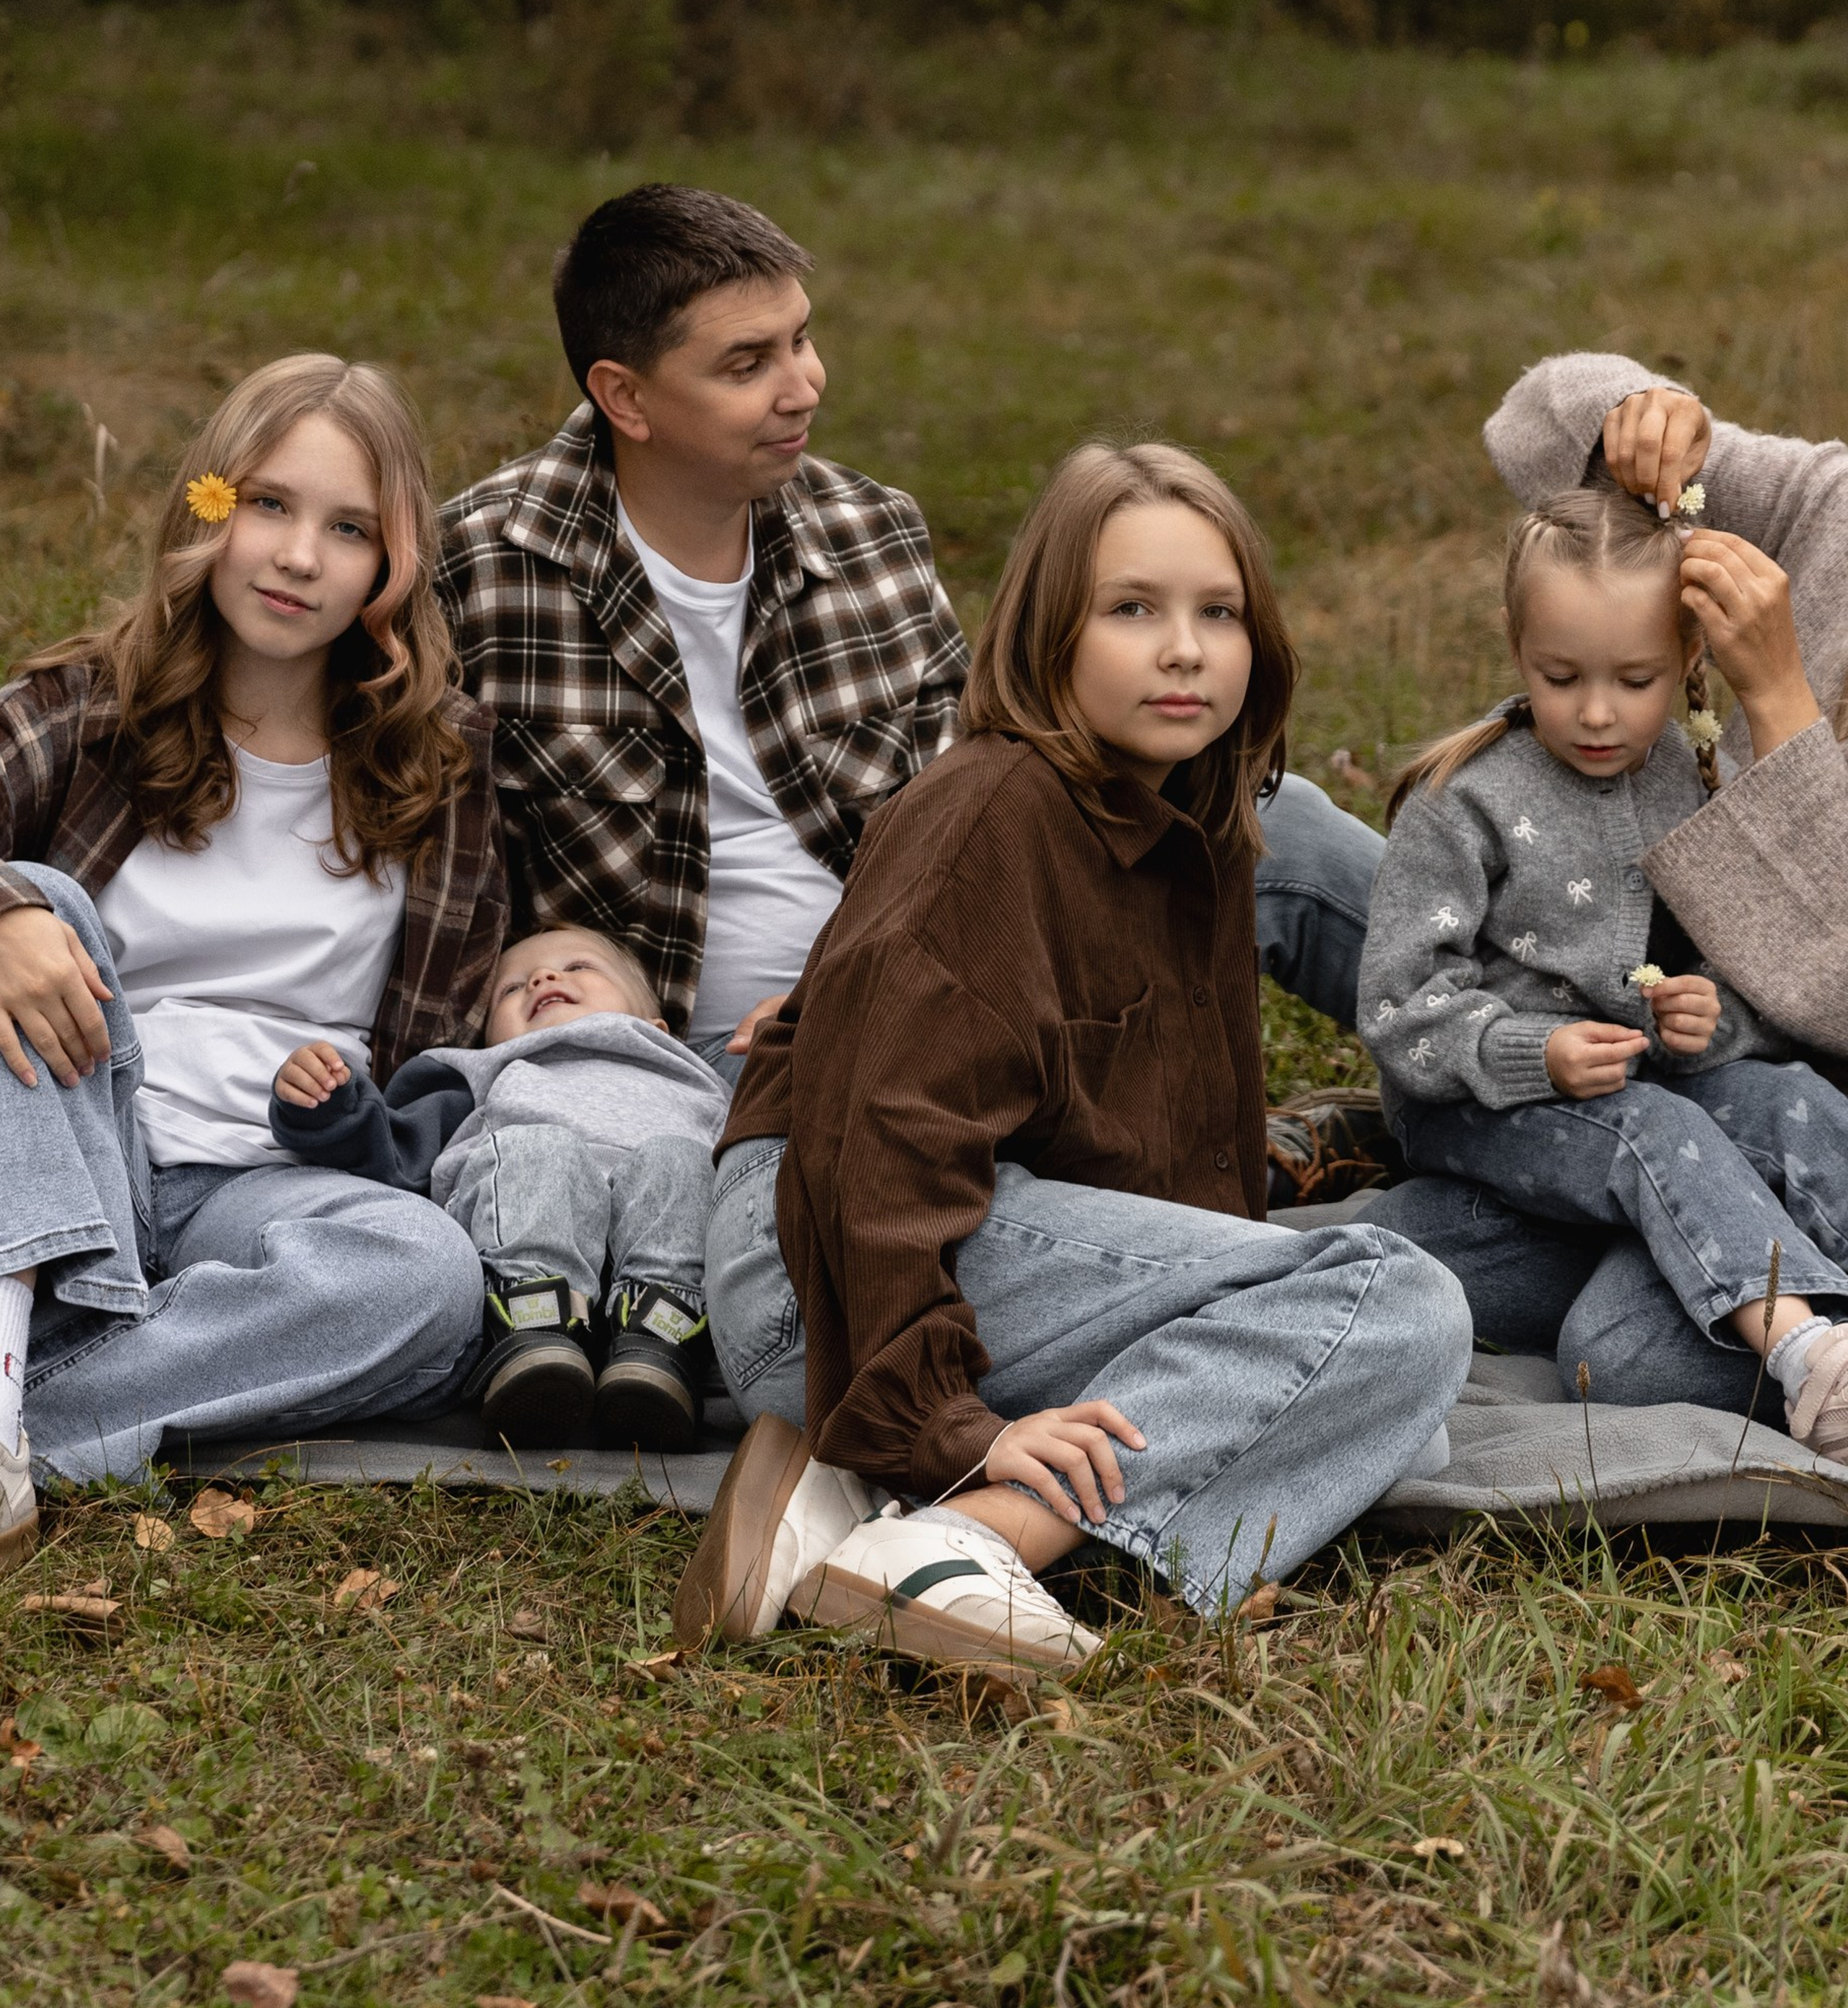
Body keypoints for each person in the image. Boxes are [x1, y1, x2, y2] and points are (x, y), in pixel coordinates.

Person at [671, 442, 1471, 1674]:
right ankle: (960, 1541)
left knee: (1398, 1381)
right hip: (830, 1273)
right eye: (1132, 610)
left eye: (1219, 614)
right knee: (1389, 1306)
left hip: (964, 1242)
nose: (1184, 650)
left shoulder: (1194, 821)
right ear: (1050, 634)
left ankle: (844, 1500)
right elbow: (877, 1142)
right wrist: (947, 1420)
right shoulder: (987, 815)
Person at [435, 183, 1395, 1177]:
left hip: (938, 981)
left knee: (1278, 825)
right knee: (891, 1176)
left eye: (802, 339)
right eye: (747, 365)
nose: (803, 387)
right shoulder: (479, 569)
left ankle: (1491, 1039)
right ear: (625, 397)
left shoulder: (870, 533)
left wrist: (850, 992)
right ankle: (1247, 1163)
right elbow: (431, 881)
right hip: (700, 1069)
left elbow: (977, 798)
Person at [0, 355, 505, 1562]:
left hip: (272, 1184)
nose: (297, 557)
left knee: (427, 1277)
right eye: (268, 505)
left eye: (348, 529)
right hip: (75, 1135)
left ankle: (34, 1415)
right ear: (209, 509)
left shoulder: (438, 768)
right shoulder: (81, 710)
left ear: (390, 567)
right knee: (42, 906)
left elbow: (445, 1041)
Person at [1380, 351, 1848, 1412]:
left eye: (1634, 681)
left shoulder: (1675, 772)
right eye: (1564, 677)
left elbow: (1808, 996)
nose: (1597, 713)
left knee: (1619, 1350)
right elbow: (1534, 428)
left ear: (1678, 665)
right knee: (1295, 846)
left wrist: (1781, 704)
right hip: (1525, 1068)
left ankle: (1778, 1318)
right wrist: (1635, 411)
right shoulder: (1474, 800)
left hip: (1704, 1088)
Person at [268, 921, 729, 1451]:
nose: (542, 978)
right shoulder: (485, 1074)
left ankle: (661, 1353)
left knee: (680, 1161)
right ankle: (534, 1342)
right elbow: (393, 1151)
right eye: (511, 989)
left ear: (656, 1027)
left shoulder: (700, 1079)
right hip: (521, 1275)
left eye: (578, 967)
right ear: (489, 1036)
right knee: (540, 1148)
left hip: (661, 1289)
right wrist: (330, 1103)